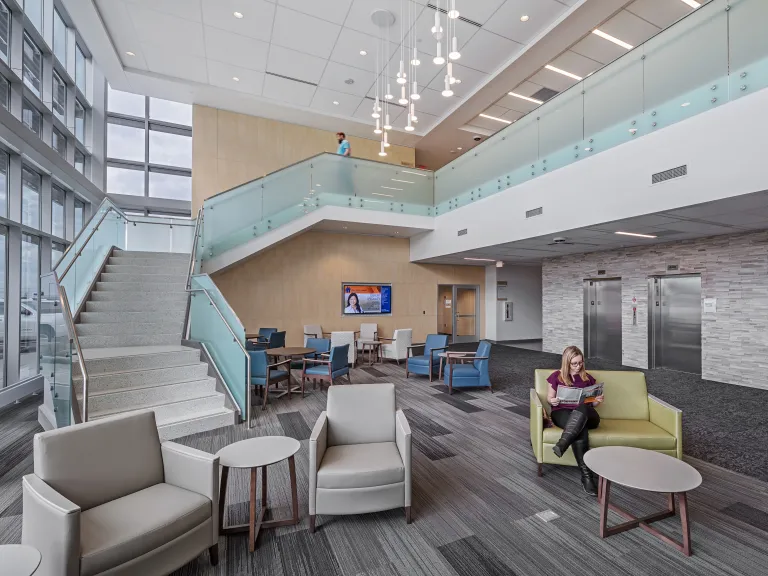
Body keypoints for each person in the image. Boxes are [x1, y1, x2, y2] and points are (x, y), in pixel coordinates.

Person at [546, 345, 604, 496]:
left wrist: (597, 401)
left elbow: (593, 404)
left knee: (582, 408)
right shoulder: (556, 376)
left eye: (580, 362)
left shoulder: (588, 378)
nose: (578, 366)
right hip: (562, 412)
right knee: (580, 428)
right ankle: (587, 477)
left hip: (588, 415)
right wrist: (553, 400)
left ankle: (563, 443)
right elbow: (549, 398)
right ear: (567, 363)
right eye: (574, 364)